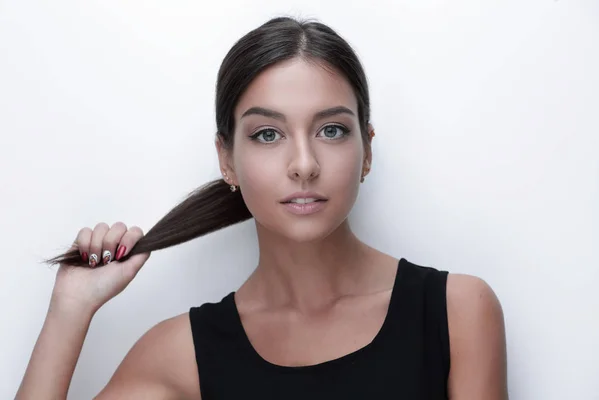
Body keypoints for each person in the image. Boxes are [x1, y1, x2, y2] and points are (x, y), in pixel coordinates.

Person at [16, 16, 508, 400]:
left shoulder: (456, 311)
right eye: (267, 134)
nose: (304, 164)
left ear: (368, 151)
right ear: (227, 159)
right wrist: (69, 309)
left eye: (331, 129)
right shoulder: (182, 353)